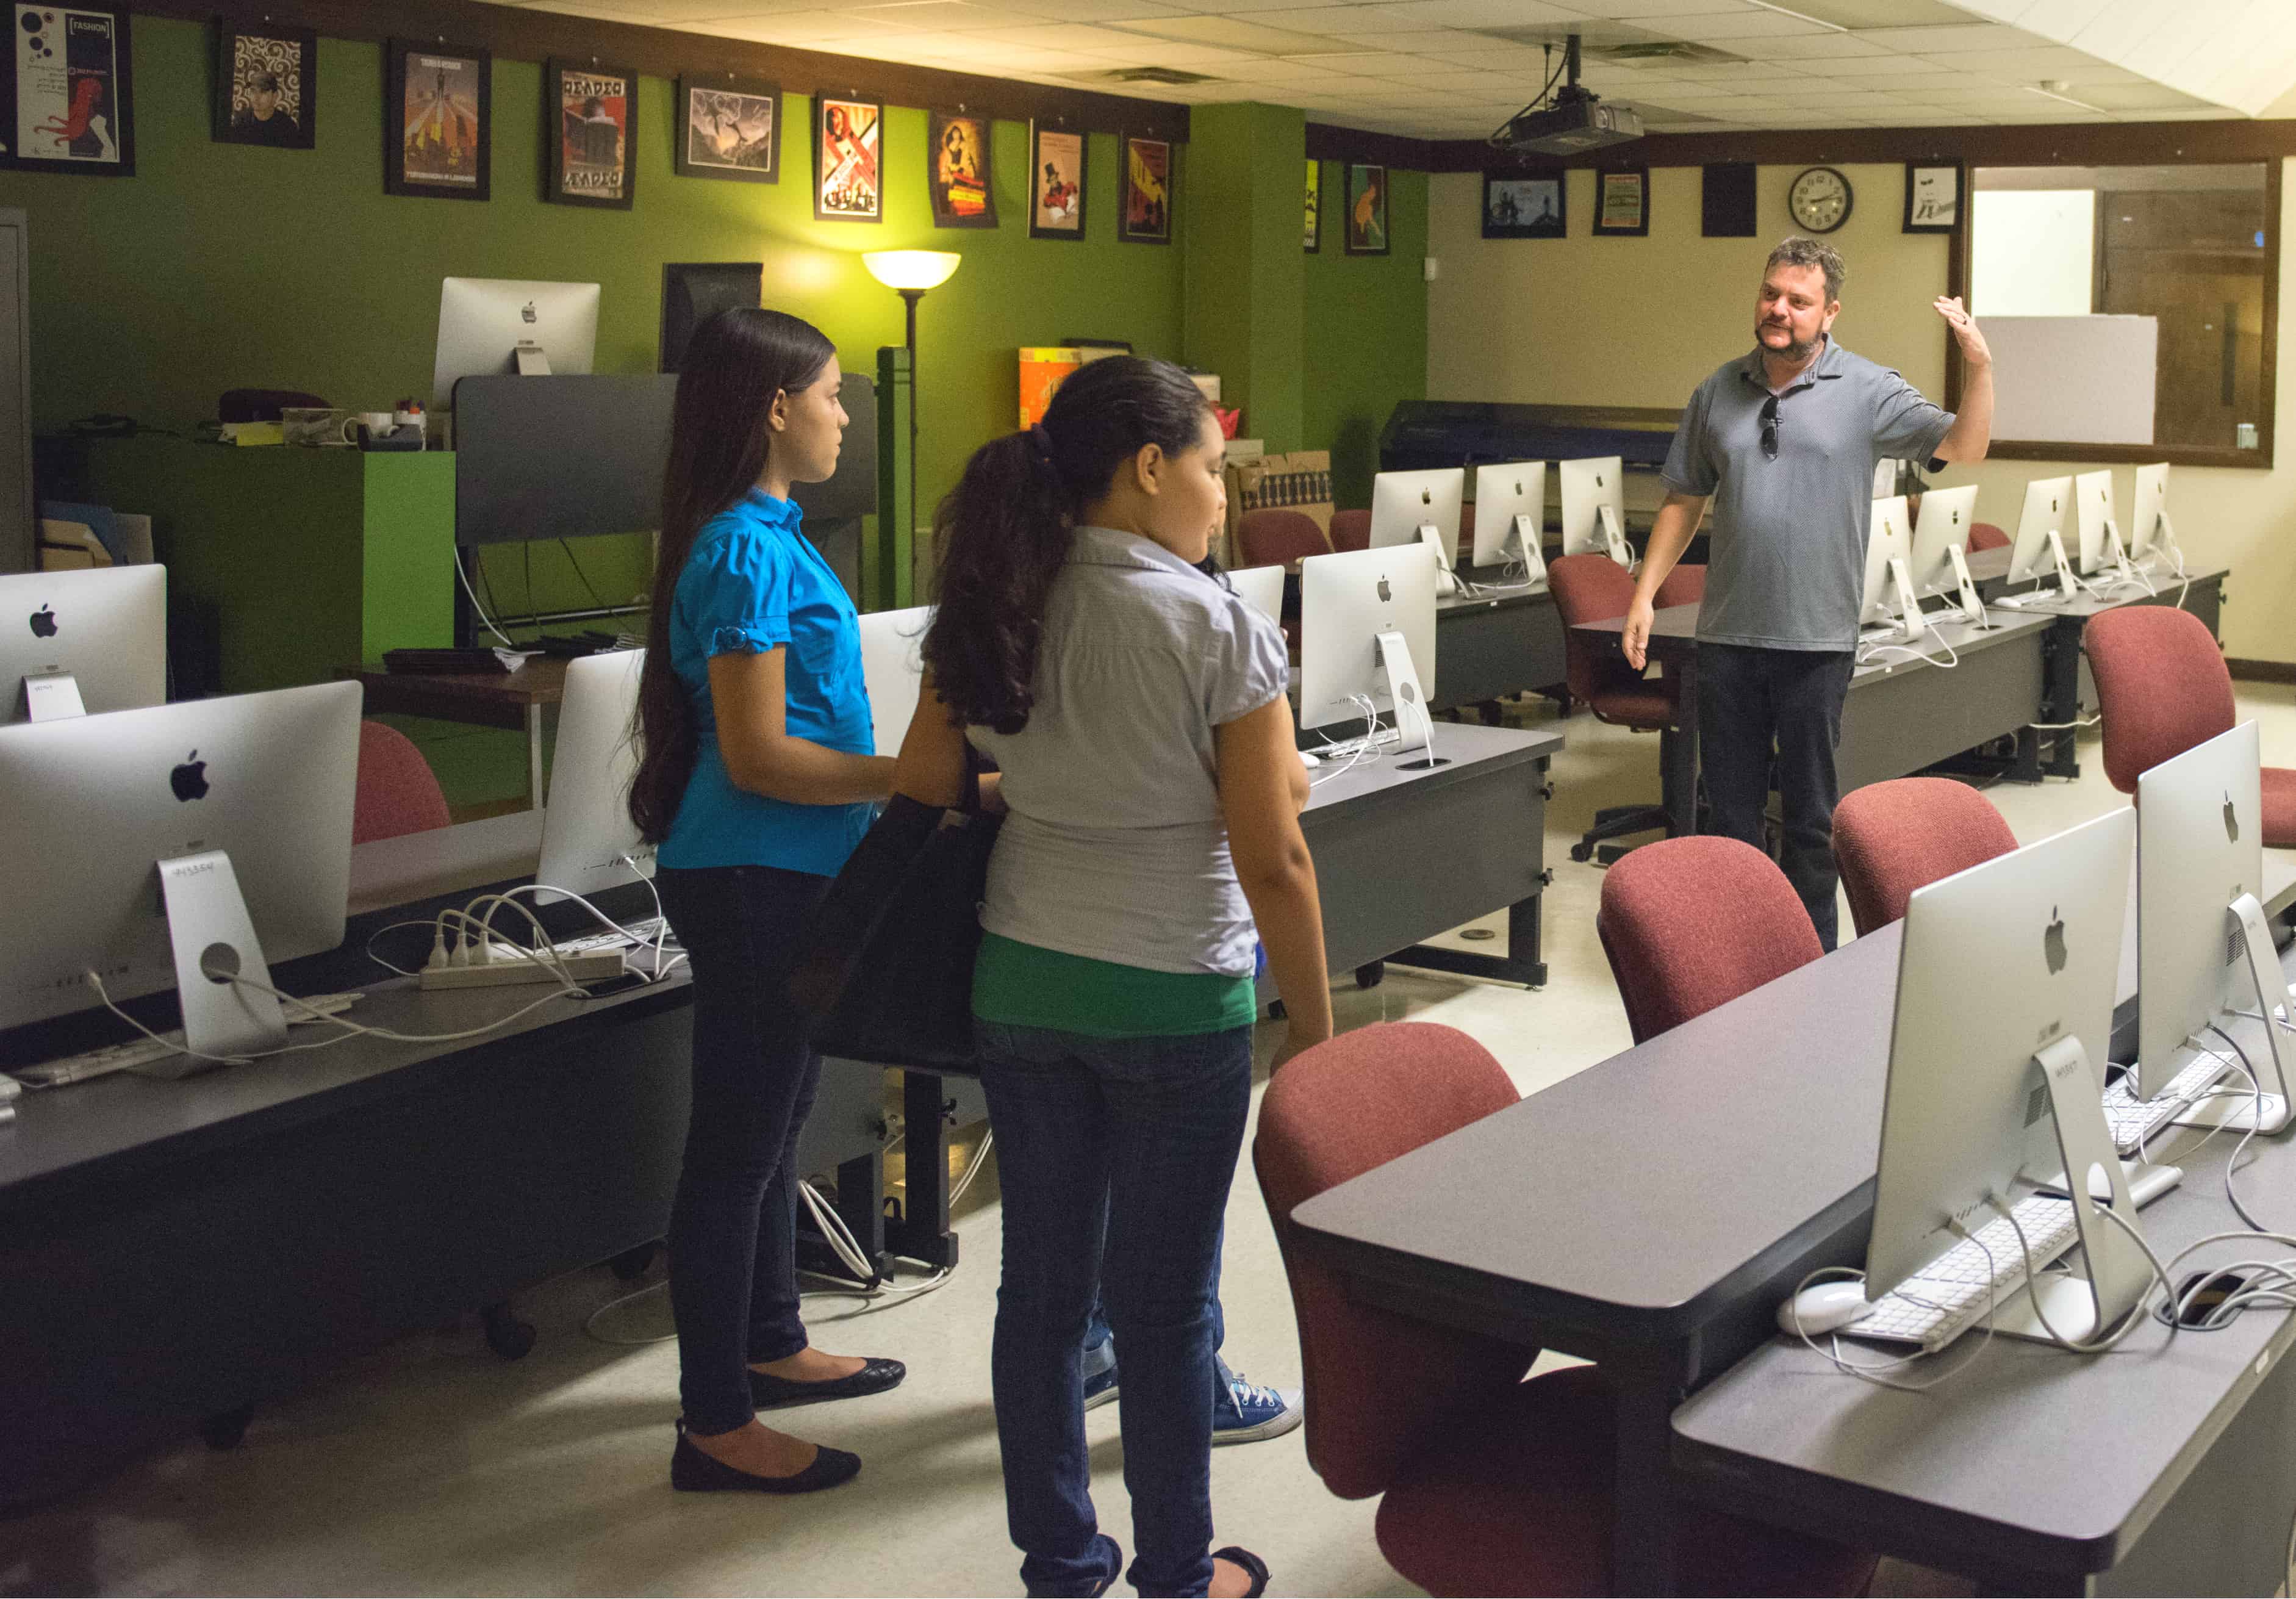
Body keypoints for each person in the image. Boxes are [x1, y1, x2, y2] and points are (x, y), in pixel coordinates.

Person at [892, 354, 1332, 1597]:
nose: (1218, 497)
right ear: (1149, 467)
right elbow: (1275, 851)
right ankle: (1180, 1576)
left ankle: (1063, 1567)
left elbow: (928, 784)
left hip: (1022, 986)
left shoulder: (995, 603)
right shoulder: (1211, 618)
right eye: (1210, 467)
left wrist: (1054, 783)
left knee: (1039, 1292)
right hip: (1173, 998)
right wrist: (1314, 1021)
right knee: (1164, 1303)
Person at [628, 308, 905, 1496]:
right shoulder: (740, 550)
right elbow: (757, 757)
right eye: (833, 393)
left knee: (779, 1117)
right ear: (776, 407)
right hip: (753, 870)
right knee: (736, 1148)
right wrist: (914, 773)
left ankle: (773, 1336)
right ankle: (715, 1419)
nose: (846, 413)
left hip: (793, 870)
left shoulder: (775, 539)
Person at [1621, 235, 1995, 949]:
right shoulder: (1717, 390)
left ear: (1828, 312)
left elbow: (1965, 447)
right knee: (1725, 816)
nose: (1778, 310)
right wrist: (1644, 593)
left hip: (1815, 642)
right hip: (1727, 635)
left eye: (1797, 301)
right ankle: (1731, 955)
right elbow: (1682, 500)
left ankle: (1810, 961)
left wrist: (1978, 366)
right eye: (1770, 294)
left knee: (1809, 821)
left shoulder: (1867, 390)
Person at [231, 70, 301, 145]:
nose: (256, 98)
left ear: (275, 96)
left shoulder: (287, 126)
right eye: (253, 91)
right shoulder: (240, 122)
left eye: (263, 92)